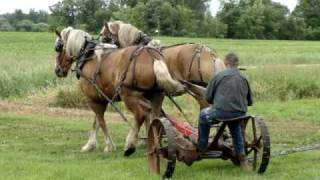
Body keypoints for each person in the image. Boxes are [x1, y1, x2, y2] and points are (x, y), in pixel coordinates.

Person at [198, 53, 253, 170]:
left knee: (203, 115)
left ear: (225, 62)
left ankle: (202, 146)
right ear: (237, 64)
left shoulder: (218, 76)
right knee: (235, 126)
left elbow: (208, 97)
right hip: (240, 113)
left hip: (221, 112)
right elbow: (250, 101)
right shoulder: (244, 77)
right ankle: (242, 158)